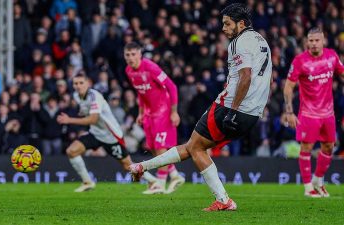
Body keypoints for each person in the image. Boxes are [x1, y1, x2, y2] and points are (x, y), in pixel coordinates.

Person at [129, 3, 272, 211]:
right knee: (194, 147)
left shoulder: (238, 42)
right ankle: (141, 167)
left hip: (230, 107)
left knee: (195, 147)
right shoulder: (262, 41)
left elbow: (246, 76)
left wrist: (232, 111)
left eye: (227, 24)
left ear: (241, 24)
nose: (223, 28)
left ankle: (223, 200)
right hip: (253, 113)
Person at [57, 72, 158, 192]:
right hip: (96, 133)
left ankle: (153, 181)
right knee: (71, 151)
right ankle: (87, 182)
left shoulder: (95, 96)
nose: (78, 86)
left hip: (111, 136)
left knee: (127, 166)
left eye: (81, 83)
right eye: (75, 83)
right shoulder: (76, 96)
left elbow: (93, 119)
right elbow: (86, 113)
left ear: (88, 83)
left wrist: (69, 120)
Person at [283, 27, 344, 198]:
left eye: (317, 40)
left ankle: (318, 181)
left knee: (329, 147)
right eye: (311, 40)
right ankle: (308, 187)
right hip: (308, 114)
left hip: (328, 114)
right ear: (307, 42)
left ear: (323, 41)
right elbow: (288, 87)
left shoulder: (332, 56)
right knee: (307, 148)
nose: (314, 44)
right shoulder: (300, 61)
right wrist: (289, 111)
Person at [124, 42, 185, 194]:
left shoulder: (151, 68)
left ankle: (160, 183)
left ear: (140, 54)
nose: (130, 58)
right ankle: (175, 176)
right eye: (127, 55)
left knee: (160, 148)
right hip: (149, 114)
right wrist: (140, 112)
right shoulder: (129, 71)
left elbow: (172, 87)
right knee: (152, 148)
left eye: (133, 54)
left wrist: (174, 111)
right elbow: (140, 92)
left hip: (163, 111)